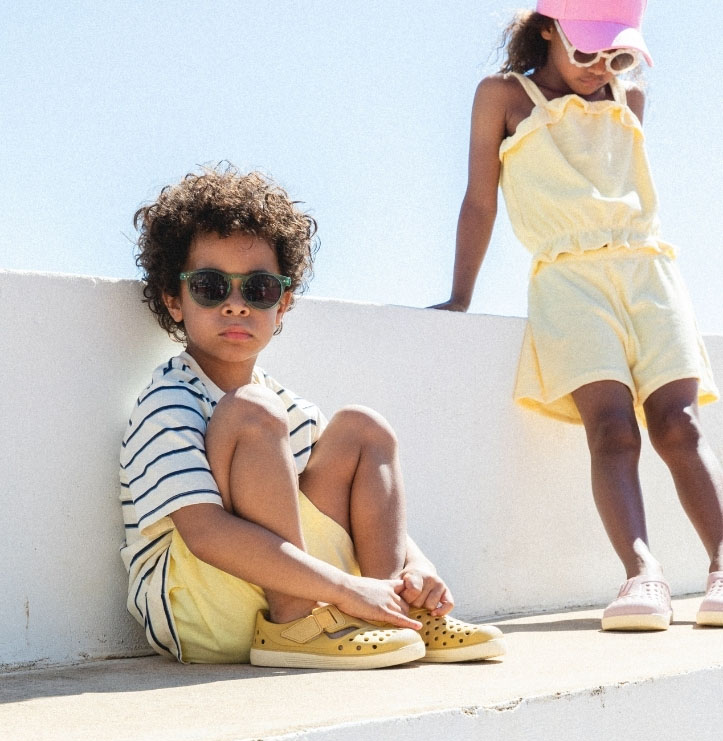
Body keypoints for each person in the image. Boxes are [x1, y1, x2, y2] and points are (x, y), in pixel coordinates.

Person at [120, 166, 506, 668]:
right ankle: (295, 622)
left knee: (362, 429)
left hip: (276, 592)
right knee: (252, 413)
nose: (236, 306)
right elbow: (206, 533)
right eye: (212, 287)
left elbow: (361, 505)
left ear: (281, 306)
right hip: (196, 611)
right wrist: (344, 587)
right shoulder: (169, 400)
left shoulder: (279, 404)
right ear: (175, 299)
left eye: (257, 290)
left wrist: (418, 567)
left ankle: (394, 611)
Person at [431, 0, 723, 631]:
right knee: (612, 430)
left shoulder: (629, 98)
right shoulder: (502, 96)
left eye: (617, 53)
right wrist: (460, 297)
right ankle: (642, 575)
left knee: (679, 424)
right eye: (587, 49)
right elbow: (479, 200)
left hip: (649, 271)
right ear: (546, 30)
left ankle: (722, 567)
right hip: (567, 279)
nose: (601, 67)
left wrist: (615, 71)